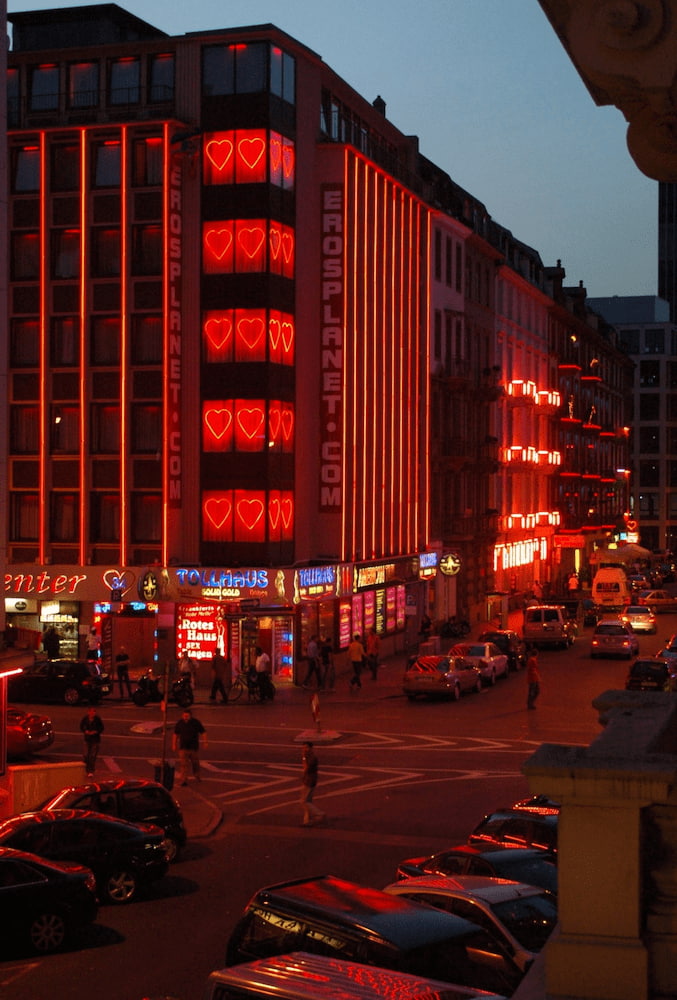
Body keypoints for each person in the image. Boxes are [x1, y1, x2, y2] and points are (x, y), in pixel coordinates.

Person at [172, 708, 207, 785]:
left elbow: (203, 732)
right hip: (183, 747)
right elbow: (176, 734)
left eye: (187, 716)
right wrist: (174, 744)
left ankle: (197, 775)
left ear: (190, 716)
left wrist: (205, 742)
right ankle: (183, 779)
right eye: (184, 716)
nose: (185, 717)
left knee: (195, 763)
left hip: (193, 748)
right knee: (183, 764)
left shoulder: (196, 723)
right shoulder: (180, 723)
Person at [300, 741, 325, 827]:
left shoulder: (312, 758)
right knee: (308, 801)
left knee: (304, 801)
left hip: (309, 781)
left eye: (306, 748)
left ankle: (319, 814)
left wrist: (303, 757)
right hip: (308, 780)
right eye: (303, 748)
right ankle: (306, 821)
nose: (304, 749)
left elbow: (306, 768)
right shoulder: (308, 756)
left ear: (311, 748)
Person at [80, 705, 104, 777]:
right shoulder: (85, 719)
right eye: (91, 711)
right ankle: (85, 769)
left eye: (94, 711)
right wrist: (85, 731)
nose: (92, 713)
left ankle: (91, 770)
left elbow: (101, 728)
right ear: (88, 712)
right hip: (87, 739)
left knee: (92, 756)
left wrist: (95, 732)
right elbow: (81, 726)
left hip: (95, 740)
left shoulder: (97, 719)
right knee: (86, 755)